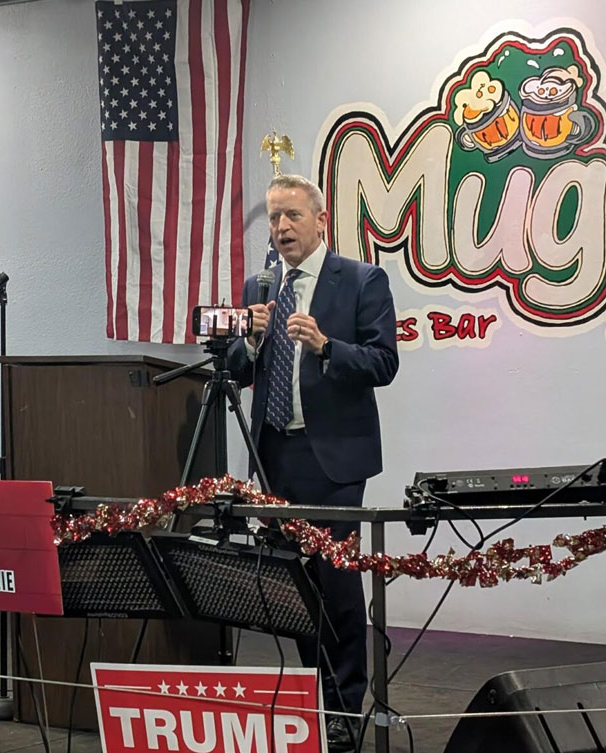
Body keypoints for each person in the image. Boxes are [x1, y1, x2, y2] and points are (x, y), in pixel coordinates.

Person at [228, 174, 399, 753]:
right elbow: (235, 369)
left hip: (334, 462)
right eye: (274, 218)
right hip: (274, 456)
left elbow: (383, 363)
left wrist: (326, 345)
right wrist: (248, 341)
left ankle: (347, 708)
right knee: (293, 589)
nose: (280, 229)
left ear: (321, 220)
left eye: (292, 217)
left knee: (337, 586)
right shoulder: (259, 284)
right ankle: (313, 701)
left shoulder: (360, 280)